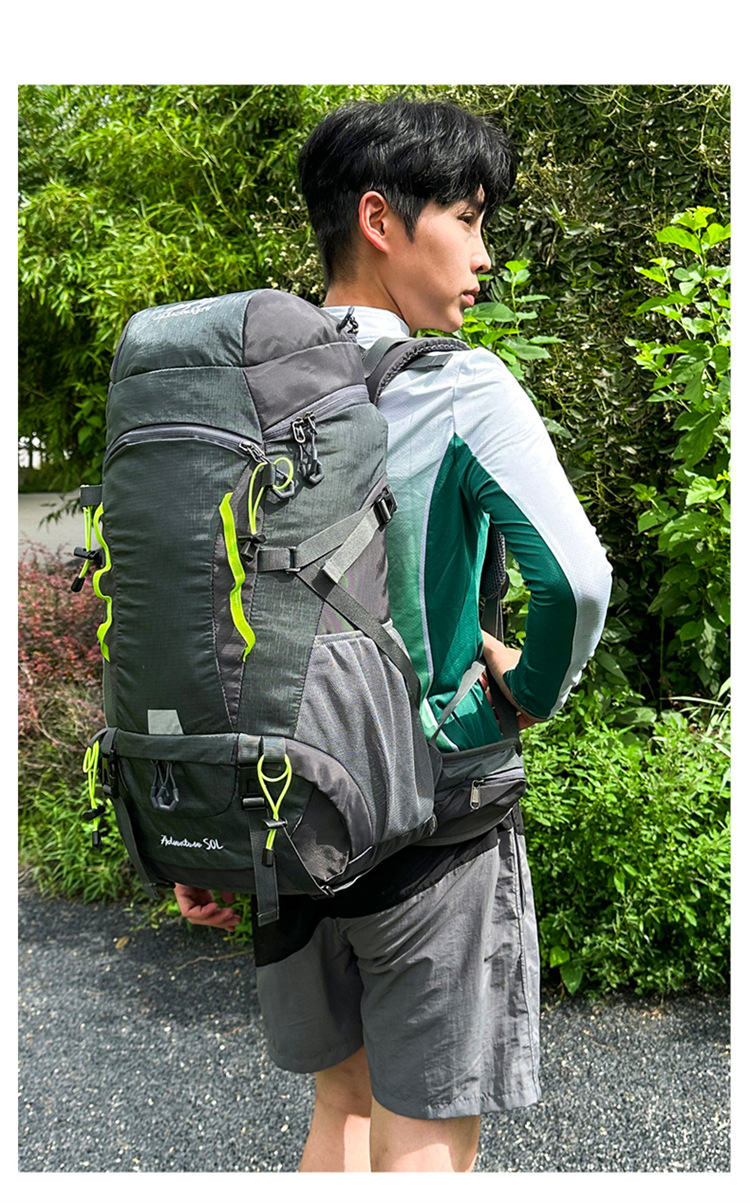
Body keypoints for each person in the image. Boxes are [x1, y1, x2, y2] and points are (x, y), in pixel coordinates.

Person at [175, 96, 612, 1172]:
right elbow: (576, 581)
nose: (485, 254)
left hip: (285, 813)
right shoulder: (461, 387)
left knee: (341, 1105)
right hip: (436, 819)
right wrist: (522, 693)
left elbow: (188, 606)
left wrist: (211, 821)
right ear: (380, 219)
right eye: (467, 218)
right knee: (423, 1132)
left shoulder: (237, 397)